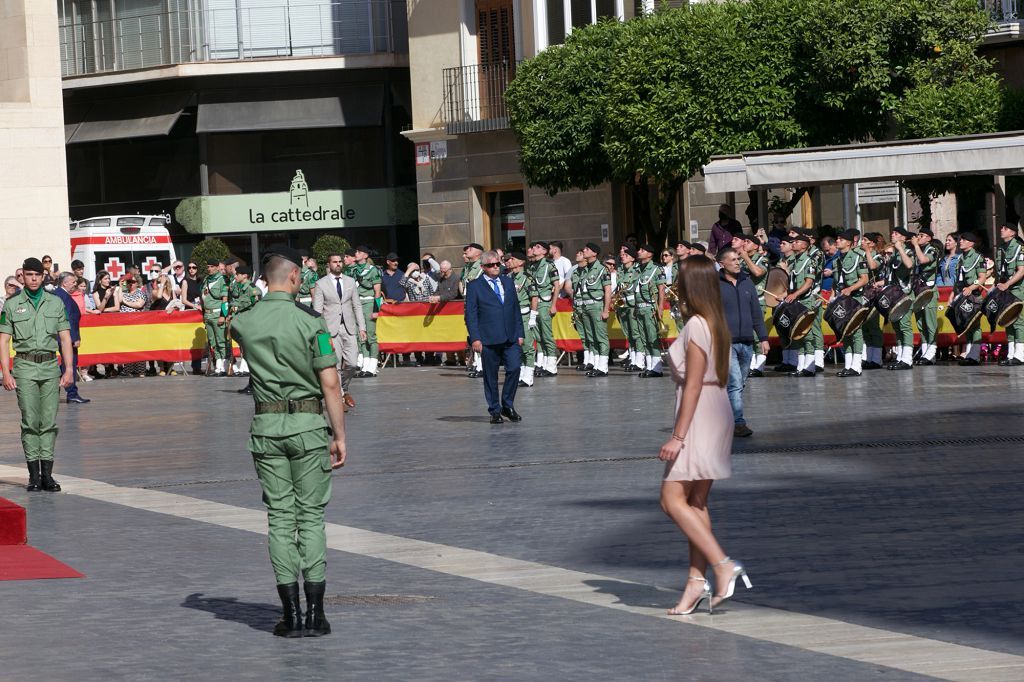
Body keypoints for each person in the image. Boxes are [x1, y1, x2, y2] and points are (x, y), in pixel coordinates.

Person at [230, 245, 348, 638]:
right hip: (309, 428)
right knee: (310, 518)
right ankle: (316, 613)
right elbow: (330, 382)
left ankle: (290, 613)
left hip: (266, 428)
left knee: (280, 518)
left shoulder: (244, 322)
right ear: (296, 277)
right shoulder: (310, 321)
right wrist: (339, 434)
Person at [659, 255, 751, 616]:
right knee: (695, 503)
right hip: (717, 408)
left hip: (700, 412)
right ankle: (696, 584)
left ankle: (722, 563)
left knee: (671, 500)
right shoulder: (715, 321)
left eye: (679, 279)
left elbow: (693, 384)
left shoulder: (698, 324)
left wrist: (677, 437)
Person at [0, 258, 75, 492]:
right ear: (22, 276)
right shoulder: (11, 305)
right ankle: (33, 475)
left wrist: (69, 369)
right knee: (30, 421)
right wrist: (5, 372)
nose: (33, 278)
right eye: (29, 274)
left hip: (50, 366)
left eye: (37, 275)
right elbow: (3, 340)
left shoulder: (55, 303)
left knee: (49, 422)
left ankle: (48, 475)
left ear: (44, 277)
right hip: (24, 367)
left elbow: (64, 338)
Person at [464, 250, 524, 424]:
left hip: (510, 335)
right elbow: (471, 315)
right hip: (488, 338)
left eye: (498, 264)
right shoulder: (475, 286)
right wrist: (475, 338)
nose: (495, 267)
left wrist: (520, 333)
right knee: (491, 376)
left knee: (514, 369)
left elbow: (515, 310)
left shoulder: (508, 282)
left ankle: (507, 404)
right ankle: (495, 410)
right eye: (491, 265)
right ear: (483, 267)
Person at [716, 248, 768, 438]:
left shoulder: (747, 282)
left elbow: (756, 312)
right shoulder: (715, 284)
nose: (738, 262)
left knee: (739, 383)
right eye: (733, 260)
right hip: (725, 342)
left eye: (738, 259)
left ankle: (724, 416)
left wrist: (763, 338)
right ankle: (738, 423)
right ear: (722, 264)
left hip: (747, 341)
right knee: (736, 382)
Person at [313, 253, 366, 410]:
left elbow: (357, 305)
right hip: (330, 329)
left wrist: (361, 327)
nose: (338, 264)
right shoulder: (321, 284)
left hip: (349, 327)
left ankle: (343, 387)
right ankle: (341, 394)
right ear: (329, 265)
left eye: (340, 262)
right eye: (334, 262)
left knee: (352, 363)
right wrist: (319, 332)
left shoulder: (350, 282)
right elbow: (317, 310)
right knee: (334, 364)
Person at [567, 243, 612, 377]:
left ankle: (603, 367)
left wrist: (606, 310)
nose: (584, 251)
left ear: (594, 253)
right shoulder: (585, 269)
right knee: (591, 337)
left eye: (587, 249)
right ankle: (597, 364)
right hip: (585, 306)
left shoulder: (602, 269)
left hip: (596, 305)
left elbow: (607, 291)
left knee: (601, 337)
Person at [833, 229, 870, 377]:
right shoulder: (837, 260)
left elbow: (864, 279)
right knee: (845, 332)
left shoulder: (858, 257)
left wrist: (850, 289)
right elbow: (837, 282)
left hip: (855, 298)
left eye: (840, 239)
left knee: (856, 332)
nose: (837, 241)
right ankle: (848, 365)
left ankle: (857, 366)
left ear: (848, 243)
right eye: (837, 239)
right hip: (843, 299)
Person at [784, 233, 821, 376]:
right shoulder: (793, 261)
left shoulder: (810, 261)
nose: (793, 243)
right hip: (796, 300)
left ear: (805, 245)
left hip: (805, 300)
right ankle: (800, 366)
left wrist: (795, 294)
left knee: (807, 333)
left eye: (797, 242)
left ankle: (810, 367)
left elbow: (808, 283)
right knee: (797, 332)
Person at [53, 273, 90, 404]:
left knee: (66, 364)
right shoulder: (61, 295)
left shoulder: (60, 294)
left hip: (62, 336)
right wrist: (75, 338)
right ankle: (72, 393)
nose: (75, 284)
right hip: (65, 337)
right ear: (65, 283)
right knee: (70, 363)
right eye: (73, 282)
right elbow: (69, 319)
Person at [735, 235, 769, 377]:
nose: (745, 244)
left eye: (748, 242)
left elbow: (757, 272)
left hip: (758, 301)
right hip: (743, 301)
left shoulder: (763, 260)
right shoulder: (742, 261)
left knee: (756, 334)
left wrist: (745, 258)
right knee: (748, 334)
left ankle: (759, 366)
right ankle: (751, 364)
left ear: (756, 246)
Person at [526, 241, 560, 377]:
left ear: (545, 252)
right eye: (534, 247)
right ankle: (544, 364)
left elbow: (557, 286)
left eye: (538, 247)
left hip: (545, 303)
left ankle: (552, 366)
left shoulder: (549, 265)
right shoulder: (532, 267)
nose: (534, 248)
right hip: (533, 305)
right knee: (538, 336)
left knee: (547, 336)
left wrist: (553, 304)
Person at [954, 232, 988, 366]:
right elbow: (958, 280)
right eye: (960, 239)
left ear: (971, 243)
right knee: (966, 325)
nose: (960, 241)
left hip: (974, 296)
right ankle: (969, 355)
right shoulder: (961, 258)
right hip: (962, 296)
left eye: (964, 239)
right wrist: (953, 295)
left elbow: (982, 278)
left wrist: (971, 287)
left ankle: (975, 355)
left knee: (975, 326)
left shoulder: (978, 257)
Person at [632, 244, 666, 378]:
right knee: (644, 338)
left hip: (650, 307)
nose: (639, 252)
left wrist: (660, 308)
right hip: (639, 308)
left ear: (650, 254)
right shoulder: (638, 269)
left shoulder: (656, 269)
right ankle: (650, 366)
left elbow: (661, 289)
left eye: (642, 250)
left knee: (652, 338)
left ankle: (657, 368)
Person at [505, 252, 537, 387]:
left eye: (513, 259)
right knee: (518, 346)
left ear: (521, 262)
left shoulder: (527, 278)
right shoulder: (508, 277)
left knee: (527, 346)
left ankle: (529, 376)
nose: (510, 261)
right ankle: (522, 373)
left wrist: (533, 316)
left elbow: (534, 297)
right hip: (512, 316)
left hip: (524, 315)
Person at [351, 245, 382, 378]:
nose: (356, 254)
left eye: (358, 252)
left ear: (365, 255)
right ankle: (365, 365)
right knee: (361, 335)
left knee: (370, 335)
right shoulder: (353, 270)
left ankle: (373, 366)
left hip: (369, 303)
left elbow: (377, 291)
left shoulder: (372, 270)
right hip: (357, 303)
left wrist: (376, 309)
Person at [995, 222, 1024, 366]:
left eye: (1005, 228)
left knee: (1019, 322)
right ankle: (1011, 354)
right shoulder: (1001, 249)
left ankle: (1020, 355)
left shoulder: (1020, 248)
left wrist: (1007, 284)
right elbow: (1000, 271)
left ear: (1013, 233)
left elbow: (1021, 270)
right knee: (1008, 321)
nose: (1001, 229)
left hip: (1018, 290)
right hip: (1005, 290)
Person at [911, 228, 940, 366]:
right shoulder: (917, 250)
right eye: (918, 235)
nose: (919, 237)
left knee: (930, 322)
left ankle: (932, 352)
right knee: (920, 322)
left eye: (921, 236)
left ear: (929, 238)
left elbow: (923, 261)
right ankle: (925, 350)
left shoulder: (932, 250)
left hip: (929, 290)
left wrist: (916, 245)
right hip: (918, 290)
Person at [459, 243, 485, 377]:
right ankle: (477, 364)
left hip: (478, 306)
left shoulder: (481, 267)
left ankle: (481, 366)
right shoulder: (468, 267)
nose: (466, 252)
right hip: (469, 304)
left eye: (470, 249)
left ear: (478, 253)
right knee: (472, 335)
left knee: (478, 335)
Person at [202, 259, 230, 376]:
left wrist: (223, 316)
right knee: (213, 342)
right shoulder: (206, 280)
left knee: (221, 341)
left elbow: (225, 300)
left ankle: (223, 366)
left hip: (217, 313)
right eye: (208, 266)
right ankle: (218, 365)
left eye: (212, 266)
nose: (209, 269)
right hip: (208, 314)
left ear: (218, 267)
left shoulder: (221, 280)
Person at [119, 274, 148, 377]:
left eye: (133, 282)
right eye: (129, 282)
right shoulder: (124, 292)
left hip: (137, 325)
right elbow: (119, 300)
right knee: (128, 347)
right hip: (125, 326)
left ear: (137, 283)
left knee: (139, 347)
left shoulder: (141, 293)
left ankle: (141, 370)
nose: (131, 284)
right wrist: (121, 285)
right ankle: (128, 370)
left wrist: (125, 302)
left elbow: (139, 305)